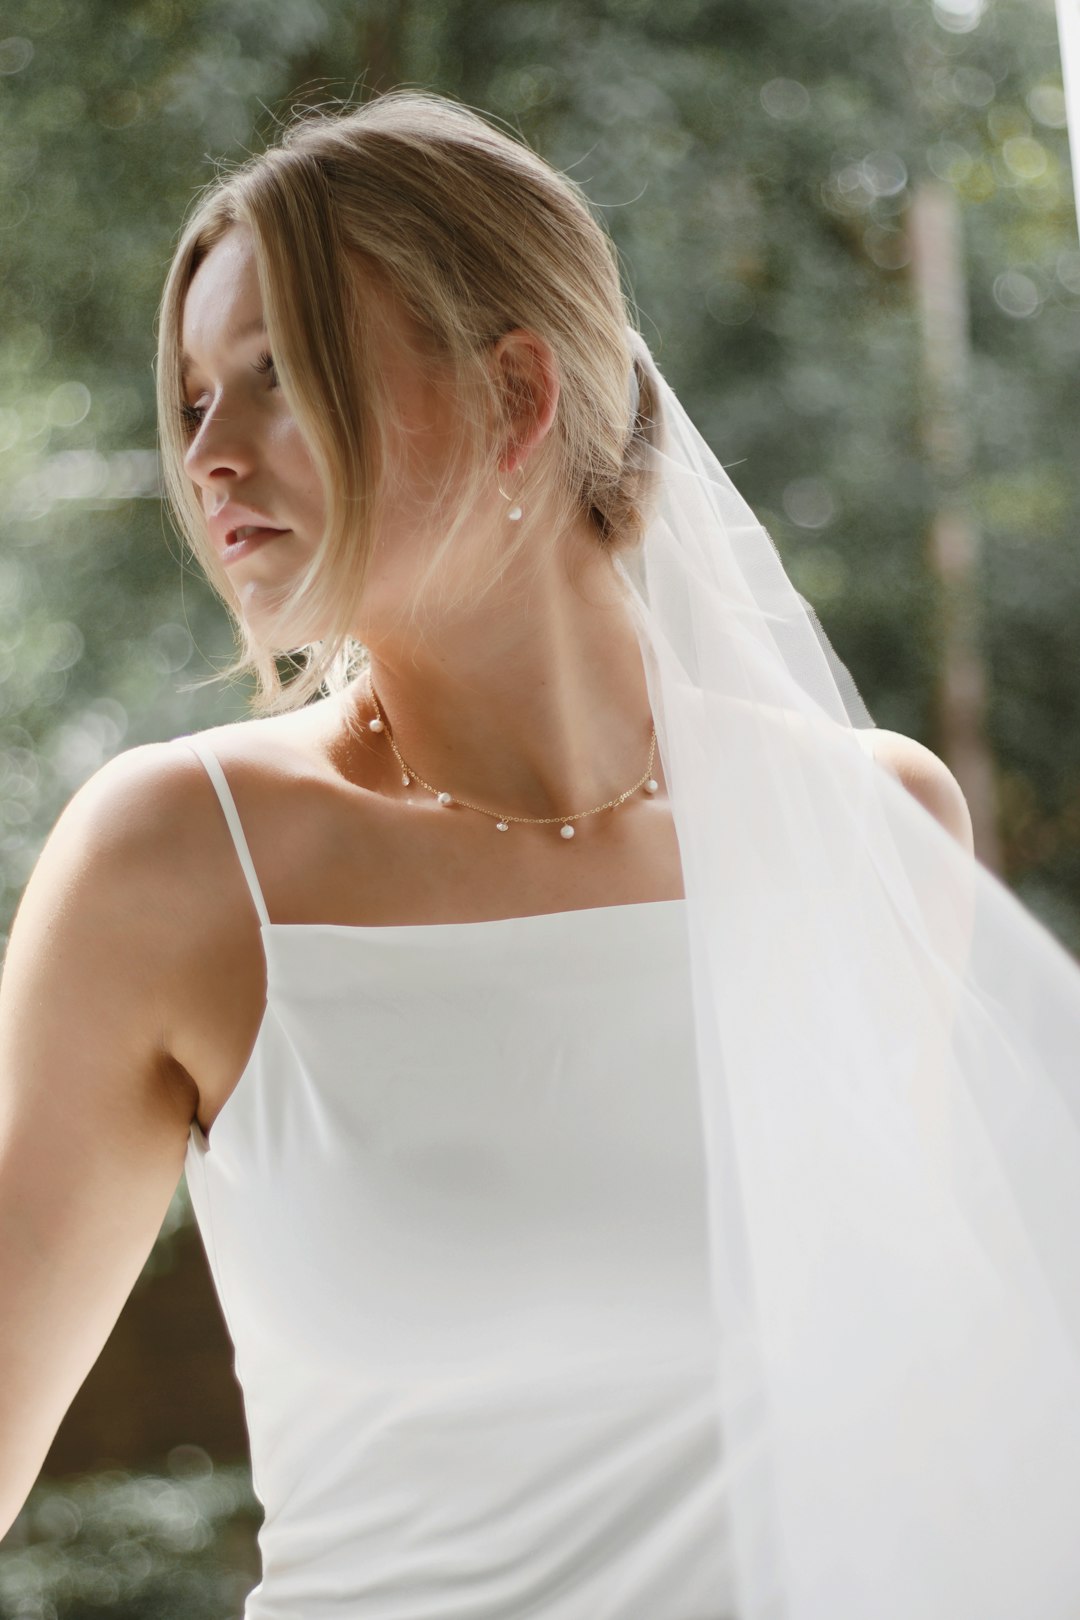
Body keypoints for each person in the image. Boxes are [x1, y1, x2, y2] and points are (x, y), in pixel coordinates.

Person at [1, 86, 1063, 1620]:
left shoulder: (876, 828)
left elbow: (908, 1422)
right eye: (190, 400)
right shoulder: (178, 860)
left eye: (279, 376)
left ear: (516, 396)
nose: (211, 456)